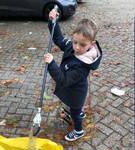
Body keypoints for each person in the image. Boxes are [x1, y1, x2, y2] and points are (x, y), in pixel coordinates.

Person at [43, 9, 102, 141]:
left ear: (91, 44)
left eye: (82, 44)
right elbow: (58, 38)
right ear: (73, 37)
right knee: (76, 108)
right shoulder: (72, 46)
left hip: (77, 92)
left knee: (75, 111)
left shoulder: (83, 66)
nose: (76, 47)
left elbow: (63, 80)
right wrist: (53, 22)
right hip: (71, 87)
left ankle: (78, 130)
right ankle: (79, 111)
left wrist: (52, 63)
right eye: (75, 42)